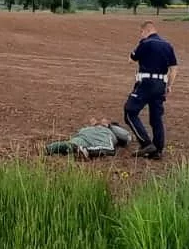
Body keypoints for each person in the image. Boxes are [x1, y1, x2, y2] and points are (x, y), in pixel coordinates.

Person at [123, 20, 177, 159]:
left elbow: (132, 58)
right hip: (160, 85)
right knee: (156, 118)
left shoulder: (145, 43)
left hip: (146, 83)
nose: (141, 35)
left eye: (141, 33)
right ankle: (157, 151)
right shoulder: (168, 45)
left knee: (130, 111)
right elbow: (174, 68)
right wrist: (169, 86)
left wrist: (133, 55)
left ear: (145, 31)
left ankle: (146, 143)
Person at [45, 118, 134, 160]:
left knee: (71, 144)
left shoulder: (95, 126)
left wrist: (95, 125)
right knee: (109, 150)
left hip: (86, 132)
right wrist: (110, 126)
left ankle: (48, 148)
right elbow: (127, 137)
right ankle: (85, 150)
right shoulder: (111, 128)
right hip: (103, 135)